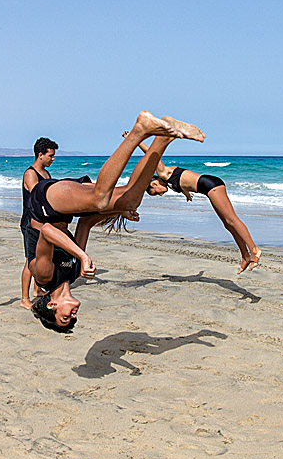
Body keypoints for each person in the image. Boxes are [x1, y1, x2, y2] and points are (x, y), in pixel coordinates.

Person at [26, 111, 205, 332]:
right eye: (73, 320)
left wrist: (82, 256)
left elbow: (45, 231)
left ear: (52, 305)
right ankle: (163, 138)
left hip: (43, 208)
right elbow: (85, 224)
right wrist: (119, 211)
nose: (73, 316)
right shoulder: (72, 275)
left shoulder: (44, 277)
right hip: (63, 212)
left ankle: (139, 130)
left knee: (100, 200)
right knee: (130, 200)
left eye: (65, 319)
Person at [135, 136, 261, 274]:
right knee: (227, 224)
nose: (159, 195)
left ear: (154, 183)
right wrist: (186, 192)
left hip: (211, 185)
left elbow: (152, 154)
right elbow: (183, 181)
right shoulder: (170, 183)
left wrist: (136, 140)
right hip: (207, 188)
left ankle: (254, 250)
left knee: (232, 219)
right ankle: (245, 255)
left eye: (155, 193)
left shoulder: (163, 173)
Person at [19, 137, 58, 310]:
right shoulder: (30, 174)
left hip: (42, 221)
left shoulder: (46, 173)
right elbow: (38, 196)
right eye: (50, 156)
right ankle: (24, 298)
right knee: (31, 260)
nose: (53, 159)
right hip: (30, 222)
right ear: (40, 155)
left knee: (43, 256)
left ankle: (38, 289)